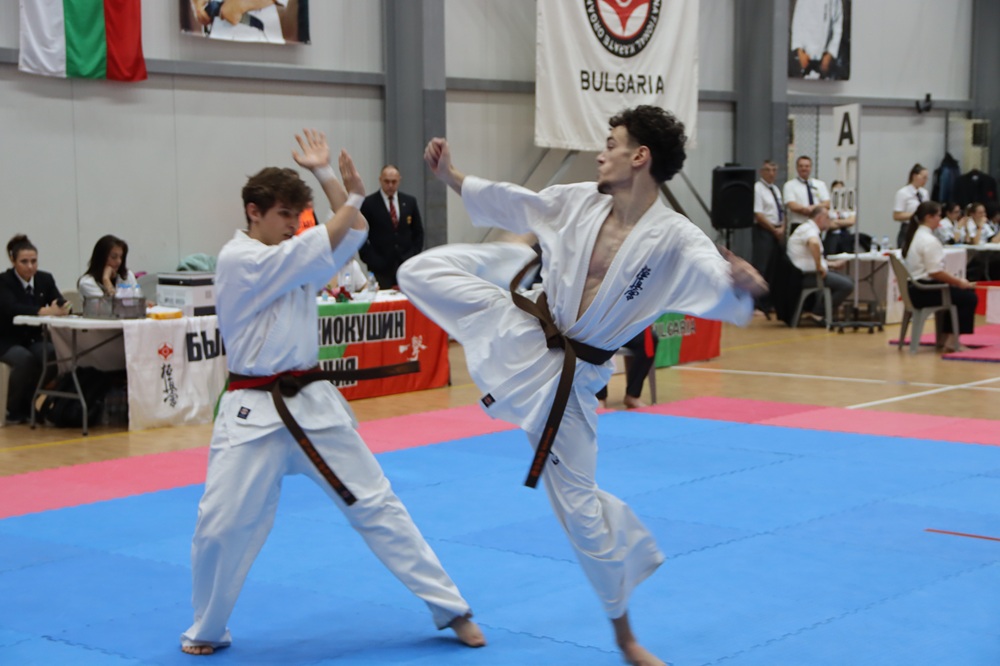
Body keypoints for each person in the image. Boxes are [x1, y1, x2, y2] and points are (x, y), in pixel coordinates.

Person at [398, 106, 766, 666]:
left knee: (584, 519)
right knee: (417, 272)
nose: (601, 153)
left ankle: (626, 639)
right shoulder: (578, 201)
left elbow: (714, 275)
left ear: (639, 156)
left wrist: (740, 284)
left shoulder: (674, 237)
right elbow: (518, 201)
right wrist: (453, 177)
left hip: (572, 385)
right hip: (524, 329)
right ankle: (517, 264)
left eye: (612, 143)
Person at [180, 129, 484, 655]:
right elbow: (337, 227)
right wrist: (346, 192)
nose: (292, 225)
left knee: (378, 505)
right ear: (253, 212)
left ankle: (451, 608)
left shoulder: (293, 252)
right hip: (253, 411)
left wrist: (330, 179)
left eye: (297, 216)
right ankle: (208, 627)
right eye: (283, 215)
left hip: (313, 405)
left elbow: (351, 232)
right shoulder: (239, 258)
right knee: (219, 525)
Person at [0, 234, 71, 423]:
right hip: (8, 340)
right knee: (24, 359)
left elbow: (59, 300)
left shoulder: (45, 279)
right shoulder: (4, 281)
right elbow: (12, 308)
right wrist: (44, 311)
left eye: (34, 261)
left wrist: (63, 306)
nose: (30, 266)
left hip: (34, 338)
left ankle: (29, 401)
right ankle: (13, 407)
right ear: (13, 261)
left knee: (54, 354)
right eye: (24, 262)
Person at [901, 201, 978, 352]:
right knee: (968, 297)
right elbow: (935, 272)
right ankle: (952, 340)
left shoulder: (918, 236)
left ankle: (944, 337)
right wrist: (959, 282)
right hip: (923, 291)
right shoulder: (929, 240)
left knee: (957, 293)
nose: (940, 219)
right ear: (929, 217)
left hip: (914, 289)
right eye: (938, 216)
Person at [358, 165, 424, 289]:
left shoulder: (409, 202)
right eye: (386, 181)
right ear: (380, 180)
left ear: (399, 180)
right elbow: (361, 235)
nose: (390, 185)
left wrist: (413, 255)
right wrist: (372, 260)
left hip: (406, 265)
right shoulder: (369, 203)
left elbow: (418, 232)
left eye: (394, 182)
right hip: (380, 267)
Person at [785, 206, 854, 323]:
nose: (829, 221)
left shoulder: (808, 229)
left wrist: (831, 264)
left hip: (809, 273)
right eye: (827, 218)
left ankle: (820, 311)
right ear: (820, 218)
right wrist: (819, 267)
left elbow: (808, 256)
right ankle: (819, 313)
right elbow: (814, 244)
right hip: (807, 276)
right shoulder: (808, 230)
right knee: (847, 285)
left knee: (847, 280)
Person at [597, 327, 658, 410]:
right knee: (596, 338)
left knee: (649, 338)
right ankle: (599, 397)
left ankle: (633, 395)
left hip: (626, 329)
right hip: (603, 330)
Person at [752, 160, 785, 311]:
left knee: (774, 268)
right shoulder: (758, 188)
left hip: (777, 231)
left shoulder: (775, 189)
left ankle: (769, 303)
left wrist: (782, 227)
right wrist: (773, 230)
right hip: (764, 231)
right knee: (762, 267)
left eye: (774, 170)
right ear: (761, 172)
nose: (771, 173)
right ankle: (758, 304)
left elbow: (782, 212)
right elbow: (759, 215)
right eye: (768, 170)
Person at [789, 0, 845, 79]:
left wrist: (830, 54)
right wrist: (800, 52)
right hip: (806, 57)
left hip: (825, 58)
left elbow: (837, 26)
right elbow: (797, 23)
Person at [783, 156, 830, 232]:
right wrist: (806, 209)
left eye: (807, 166)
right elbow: (792, 205)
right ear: (797, 168)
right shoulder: (789, 185)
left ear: (811, 168)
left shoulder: (820, 184)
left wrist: (813, 208)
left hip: (816, 225)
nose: (804, 168)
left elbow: (827, 204)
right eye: (801, 166)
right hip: (799, 224)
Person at [893, 164, 930, 249]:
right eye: (924, 177)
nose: (925, 180)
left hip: (922, 228)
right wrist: (916, 214)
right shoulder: (903, 193)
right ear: (915, 176)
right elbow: (896, 215)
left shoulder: (924, 193)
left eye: (927, 178)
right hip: (908, 228)